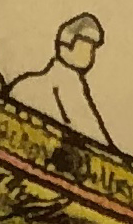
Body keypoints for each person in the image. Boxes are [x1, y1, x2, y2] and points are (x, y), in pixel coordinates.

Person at [7, 13, 112, 143]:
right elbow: (91, 135)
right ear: (69, 44)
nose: (91, 55)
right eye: (88, 46)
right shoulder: (69, 84)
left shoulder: (25, 84)